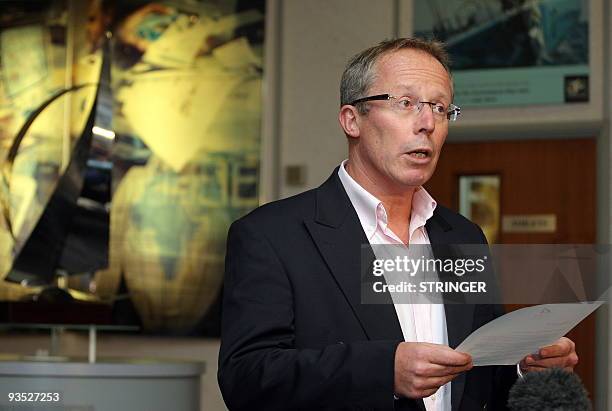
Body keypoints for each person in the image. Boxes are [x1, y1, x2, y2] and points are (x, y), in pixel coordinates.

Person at [217, 38, 578, 411]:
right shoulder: (272, 234)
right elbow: (246, 378)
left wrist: (524, 367)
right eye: (405, 103)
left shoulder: (462, 235)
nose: (427, 124)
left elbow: (479, 375)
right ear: (352, 120)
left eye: (440, 108)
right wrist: (383, 371)